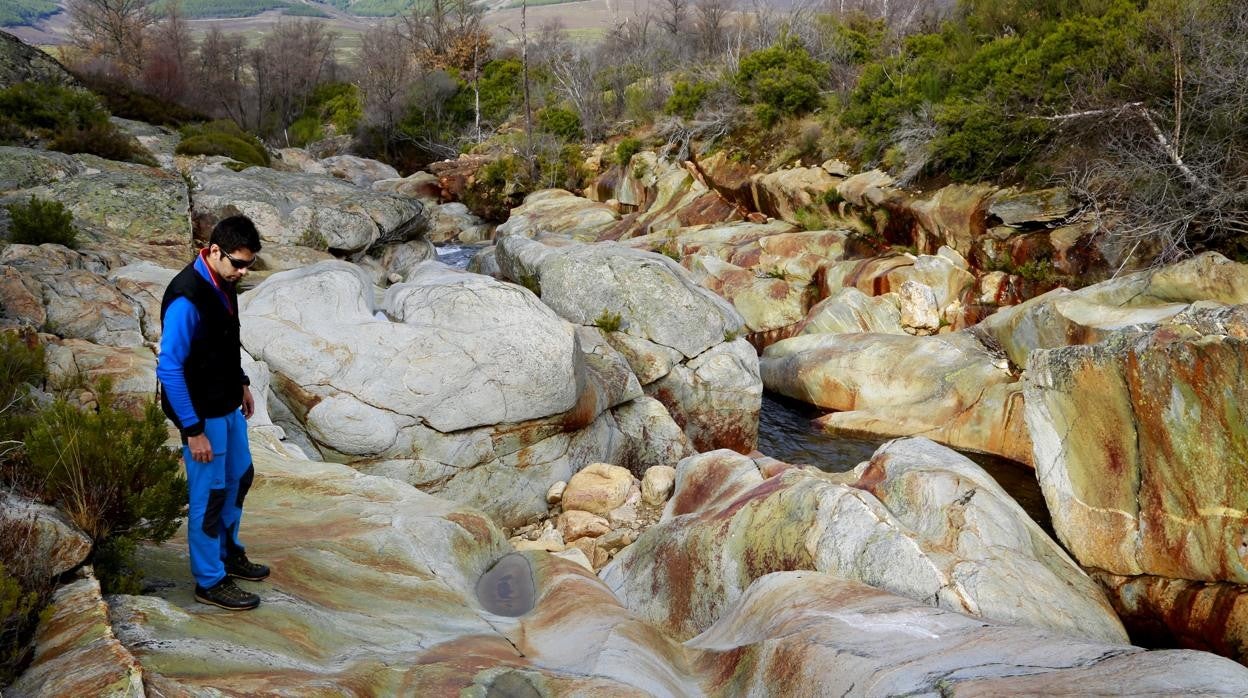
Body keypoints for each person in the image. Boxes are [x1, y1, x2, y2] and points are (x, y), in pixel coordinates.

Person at [157, 215, 269, 611]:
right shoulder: (187, 296)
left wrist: (240, 381)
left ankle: (228, 553)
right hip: (200, 415)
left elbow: (226, 338)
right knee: (210, 495)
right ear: (214, 250)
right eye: (237, 263)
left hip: (227, 404)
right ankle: (210, 579)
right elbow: (169, 368)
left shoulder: (224, 282)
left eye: (249, 264)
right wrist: (192, 429)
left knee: (240, 477)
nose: (242, 271)